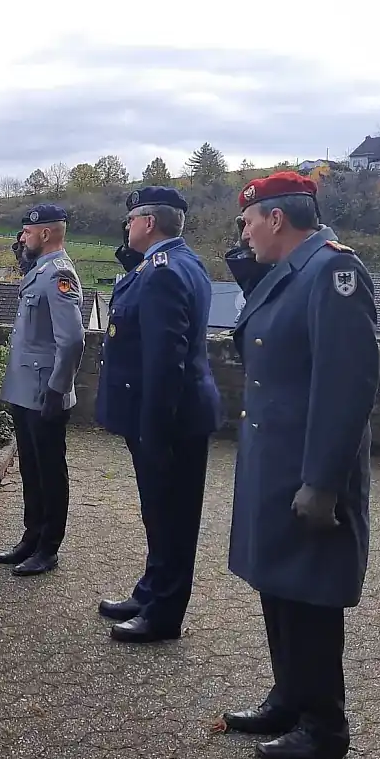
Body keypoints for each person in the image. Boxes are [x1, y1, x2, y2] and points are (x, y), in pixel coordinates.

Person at [221, 171, 379, 759]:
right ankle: (288, 696)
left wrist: (322, 481)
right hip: (274, 458)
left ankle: (324, 724)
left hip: (308, 463)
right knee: (278, 580)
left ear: (276, 219)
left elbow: (348, 384)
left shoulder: (334, 273)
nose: (245, 232)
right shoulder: (290, 272)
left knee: (310, 590)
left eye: (249, 221)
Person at [95, 186, 222, 643]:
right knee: (159, 512)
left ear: (149, 223)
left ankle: (164, 614)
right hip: (167, 414)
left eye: (131, 221)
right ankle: (151, 591)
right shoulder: (167, 264)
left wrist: (155, 429)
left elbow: (165, 360)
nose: (126, 228)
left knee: (172, 516)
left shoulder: (165, 272)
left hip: (171, 418)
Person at [0, 205, 86, 576]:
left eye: (28, 233)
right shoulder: (40, 272)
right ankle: (30, 538)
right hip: (25, 388)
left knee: (49, 470)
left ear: (46, 234)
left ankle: (48, 547)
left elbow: (73, 339)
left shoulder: (60, 273)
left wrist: (57, 389)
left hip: (45, 389)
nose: (22, 239)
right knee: (31, 469)